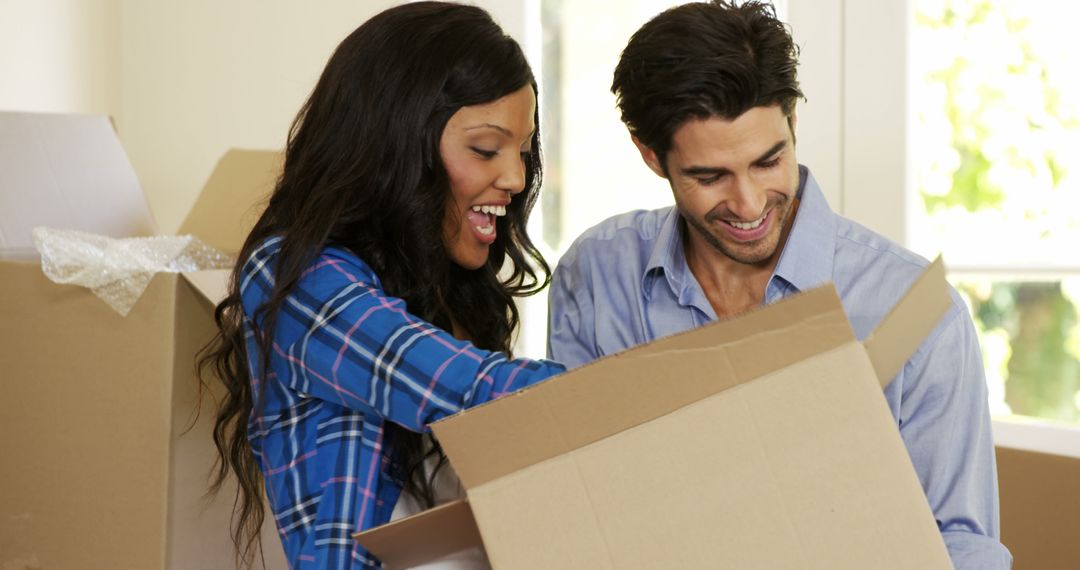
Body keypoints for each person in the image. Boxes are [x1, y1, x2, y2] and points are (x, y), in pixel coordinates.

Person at [546, 2, 1011, 568]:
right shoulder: (596, 279)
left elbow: (963, 547)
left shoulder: (911, 311)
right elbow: (571, 511)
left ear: (793, 121)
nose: (749, 204)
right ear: (651, 157)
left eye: (769, 161)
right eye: (710, 176)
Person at [198, 3, 565, 568]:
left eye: (521, 150)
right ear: (399, 140)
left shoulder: (453, 283)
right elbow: (475, 391)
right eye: (487, 149)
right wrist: (668, 388)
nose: (515, 178)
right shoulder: (295, 280)